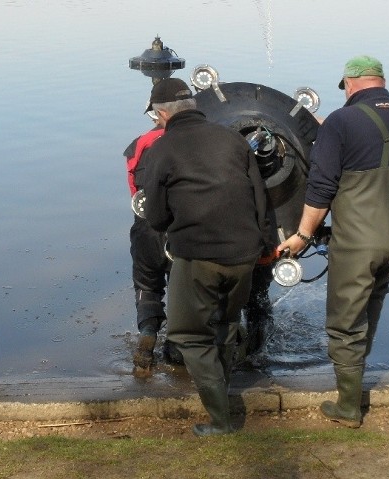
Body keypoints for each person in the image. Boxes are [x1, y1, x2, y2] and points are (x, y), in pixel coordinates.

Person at [277, 55, 389, 428]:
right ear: (381, 81)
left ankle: (348, 407)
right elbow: (369, 146)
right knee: (371, 305)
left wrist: (303, 235)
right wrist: (331, 132)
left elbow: (321, 188)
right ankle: (356, 381)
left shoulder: (342, 121)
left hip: (359, 242)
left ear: (350, 84)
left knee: (344, 323)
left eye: (345, 89)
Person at [142, 78, 273, 436]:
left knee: (187, 335)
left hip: (198, 253)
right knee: (226, 325)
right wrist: (265, 245)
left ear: (161, 114)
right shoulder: (232, 138)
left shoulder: (161, 150)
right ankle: (223, 395)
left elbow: (154, 217)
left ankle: (221, 420)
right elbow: (260, 197)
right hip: (245, 253)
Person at [122, 105, 170, 378]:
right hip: (179, 229)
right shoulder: (189, 142)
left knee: (147, 285)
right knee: (183, 288)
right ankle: (177, 347)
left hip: (145, 226)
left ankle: (148, 333)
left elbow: (134, 190)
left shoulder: (136, 146)